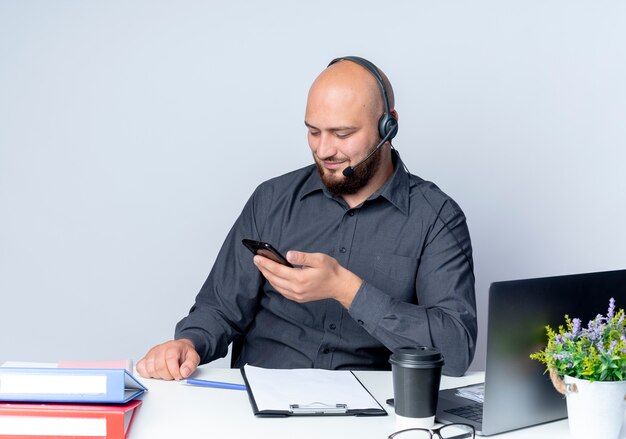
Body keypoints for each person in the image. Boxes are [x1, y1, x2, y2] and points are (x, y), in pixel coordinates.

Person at [137, 56, 477, 380]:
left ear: (388, 127)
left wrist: (347, 290)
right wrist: (188, 343)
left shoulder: (436, 218)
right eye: (314, 131)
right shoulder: (271, 200)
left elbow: (456, 351)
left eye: (342, 134)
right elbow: (220, 309)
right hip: (257, 407)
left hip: (371, 416)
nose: (324, 150)